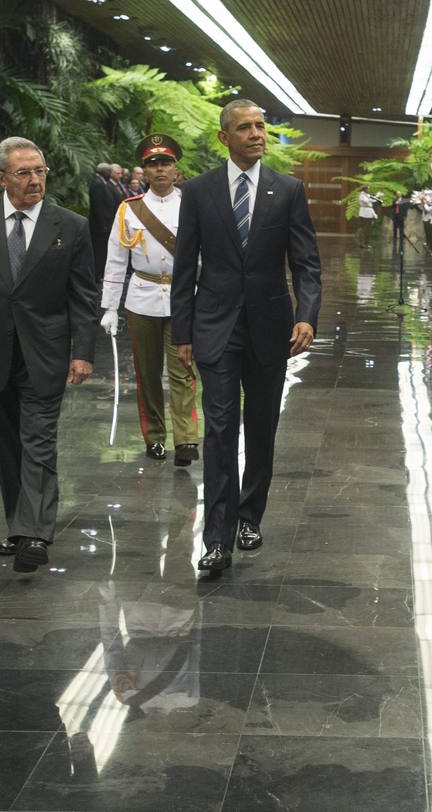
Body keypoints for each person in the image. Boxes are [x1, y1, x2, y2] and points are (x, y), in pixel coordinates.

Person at [170, 98, 322, 572]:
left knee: (260, 427)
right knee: (218, 430)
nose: (257, 134)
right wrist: (182, 331)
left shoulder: (288, 189)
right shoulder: (198, 191)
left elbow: (306, 262)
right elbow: (184, 265)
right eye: (245, 127)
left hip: (270, 327)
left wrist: (308, 315)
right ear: (224, 137)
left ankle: (249, 515)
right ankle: (215, 540)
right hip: (214, 326)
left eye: (260, 126)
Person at [0, 137, 98, 574]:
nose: (35, 181)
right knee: (7, 445)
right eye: (24, 173)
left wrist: (82, 352)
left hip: (44, 351)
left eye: (40, 171)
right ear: (1, 178)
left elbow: (83, 296)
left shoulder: (70, 225)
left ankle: (36, 534)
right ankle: (18, 524)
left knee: (39, 441)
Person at [100, 134, 200, 465]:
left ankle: (186, 439)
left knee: (183, 368)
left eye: (166, 163)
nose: (159, 170)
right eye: (152, 164)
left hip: (183, 297)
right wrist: (110, 306)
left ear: (175, 169)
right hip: (142, 297)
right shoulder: (129, 209)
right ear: (144, 171)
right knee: (147, 372)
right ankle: (155, 436)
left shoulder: (192, 205)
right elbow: (116, 259)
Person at [88, 161, 118, 278]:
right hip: (99, 226)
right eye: (109, 172)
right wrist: (103, 225)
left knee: (102, 250)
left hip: (103, 224)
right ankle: (97, 274)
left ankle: (100, 272)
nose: (110, 175)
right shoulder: (98, 183)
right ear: (104, 172)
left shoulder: (101, 182)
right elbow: (98, 206)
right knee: (99, 250)